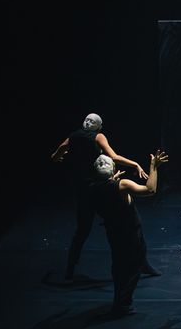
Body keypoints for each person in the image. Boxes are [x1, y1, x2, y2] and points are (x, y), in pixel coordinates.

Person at [51, 113, 157, 281]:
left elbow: (59, 151)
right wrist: (135, 164)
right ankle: (142, 263)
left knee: (82, 231)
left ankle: (70, 268)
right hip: (100, 187)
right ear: (99, 127)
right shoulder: (98, 136)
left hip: (83, 189)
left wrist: (58, 157)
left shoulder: (73, 136)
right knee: (130, 222)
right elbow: (113, 157)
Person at [89, 151, 167, 316]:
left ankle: (142, 268)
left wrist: (111, 180)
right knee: (130, 268)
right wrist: (154, 167)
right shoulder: (122, 185)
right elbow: (150, 189)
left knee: (121, 261)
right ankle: (122, 304)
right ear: (113, 169)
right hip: (129, 231)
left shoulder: (93, 187)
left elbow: (106, 191)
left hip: (113, 230)